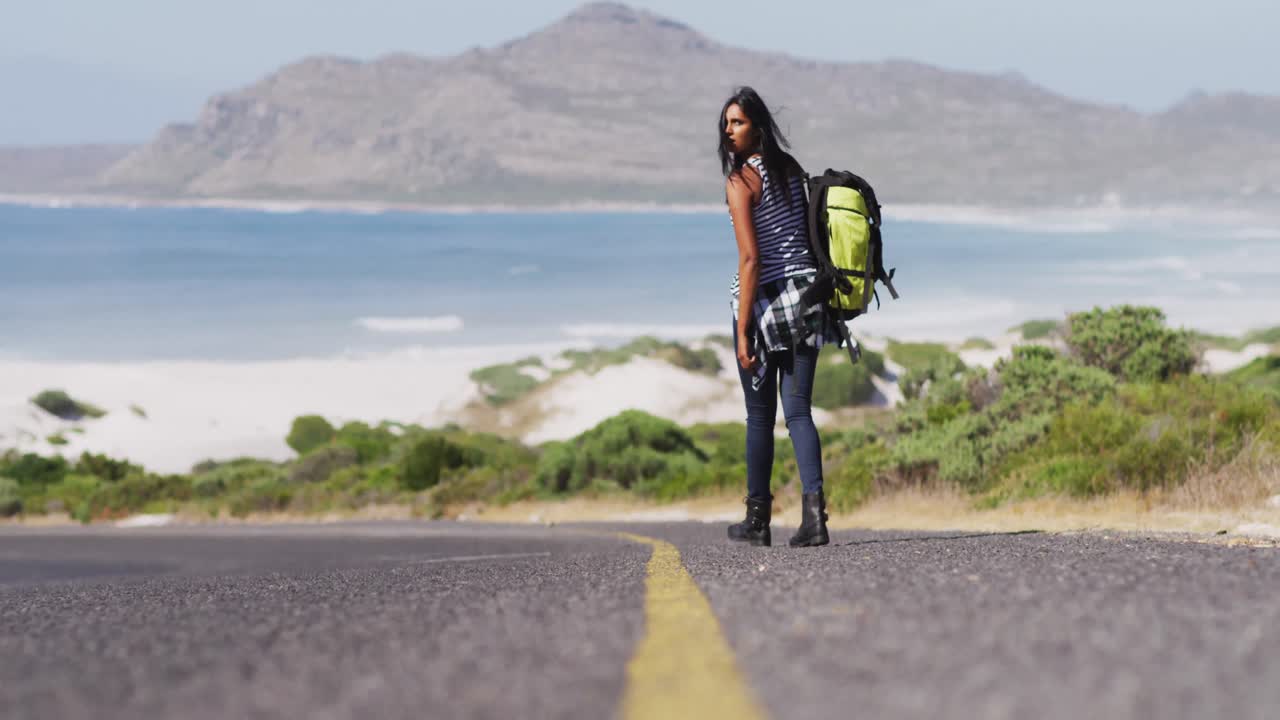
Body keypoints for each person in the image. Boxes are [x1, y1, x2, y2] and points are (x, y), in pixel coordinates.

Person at [720, 86, 838, 548]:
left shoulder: (740, 181)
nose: (729, 132)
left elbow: (750, 260)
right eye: (726, 124)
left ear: (758, 126)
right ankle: (814, 519)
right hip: (807, 300)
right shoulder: (790, 171)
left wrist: (745, 328)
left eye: (738, 123)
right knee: (799, 413)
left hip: (766, 305)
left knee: (758, 417)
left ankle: (757, 521)